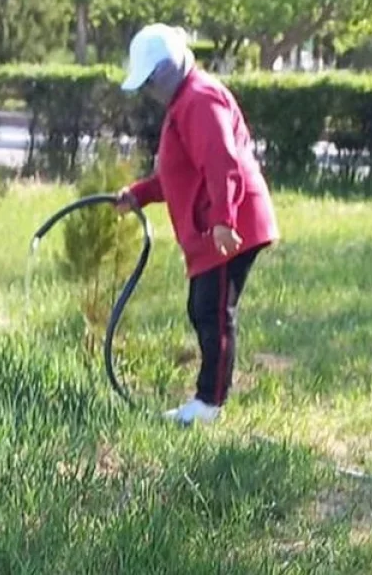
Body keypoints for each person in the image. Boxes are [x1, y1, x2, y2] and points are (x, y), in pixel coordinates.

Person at [115, 23, 279, 426]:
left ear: (167, 70)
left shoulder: (200, 100)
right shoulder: (184, 102)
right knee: (203, 307)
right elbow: (179, 174)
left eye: (150, 81)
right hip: (215, 225)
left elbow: (222, 161)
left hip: (229, 226)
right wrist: (139, 194)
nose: (149, 90)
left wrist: (224, 219)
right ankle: (207, 400)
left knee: (212, 311)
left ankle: (208, 404)